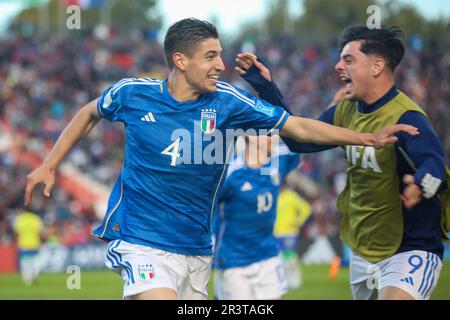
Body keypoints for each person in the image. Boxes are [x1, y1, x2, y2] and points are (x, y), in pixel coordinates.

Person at [24, 19, 418, 300]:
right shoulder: (132, 93)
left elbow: (296, 127)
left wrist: (363, 137)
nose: (221, 64)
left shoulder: (229, 101)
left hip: (195, 249)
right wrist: (49, 163)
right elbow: (90, 112)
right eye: (210, 56)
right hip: (139, 240)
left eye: (220, 55)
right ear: (181, 61)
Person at [235, 25, 446, 300]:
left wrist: (420, 184)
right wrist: (266, 87)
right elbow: (301, 140)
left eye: (348, 59)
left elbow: (434, 165)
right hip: (363, 247)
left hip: (410, 246)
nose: (337, 66)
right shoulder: (345, 110)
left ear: (377, 66)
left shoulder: (407, 117)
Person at [213, 135, 299, 299]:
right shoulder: (230, 173)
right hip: (234, 262)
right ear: (250, 136)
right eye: (268, 134)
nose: (273, 138)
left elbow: (304, 137)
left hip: (268, 257)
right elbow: (207, 207)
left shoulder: (280, 159)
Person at [274, 184, 312, 289]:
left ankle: (296, 281)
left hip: (289, 232)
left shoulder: (291, 195)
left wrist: (298, 222)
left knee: (290, 257)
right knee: (279, 259)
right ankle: (284, 281)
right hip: (275, 233)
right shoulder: (273, 195)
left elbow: (307, 208)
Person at [13, 210, 44, 285]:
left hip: (23, 243)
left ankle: (27, 278)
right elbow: (40, 232)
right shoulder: (36, 218)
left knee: (25, 261)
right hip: (34, 243)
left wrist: (16, 241)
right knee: (34, 260)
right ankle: (34, 274)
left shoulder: (20, 219)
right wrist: (41, 241)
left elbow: (16, 232)